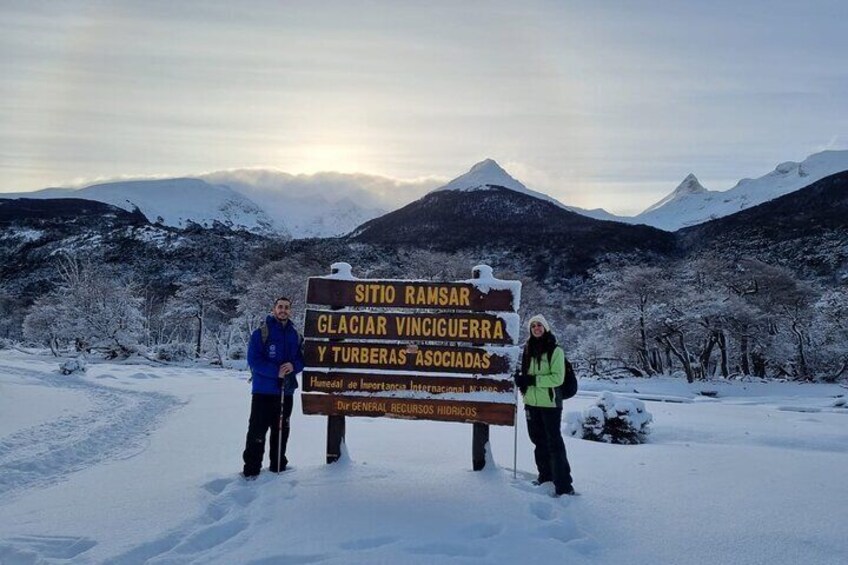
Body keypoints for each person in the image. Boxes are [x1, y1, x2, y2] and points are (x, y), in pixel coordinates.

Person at [242, 296, 304, 479]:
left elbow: (302, 359)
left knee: (281, 431)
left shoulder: (296, 335)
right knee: (257, 431)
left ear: (290, 310)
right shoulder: (261, 333)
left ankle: (278, 468)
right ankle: (251, 471)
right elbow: (254, 360)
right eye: (280, 307)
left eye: (286, 307)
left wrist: (294, 367)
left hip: (286, 391)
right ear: (274, 309)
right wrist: (276, 371)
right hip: (263, 391)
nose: (283, 310)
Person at [515, 314, 575, 496]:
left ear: (546, 328)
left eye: (539, 325)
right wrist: (521, 380)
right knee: (538, 441)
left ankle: (564, 485)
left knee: (554, 443)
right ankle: (545, 477)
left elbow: (558, 378)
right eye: (533, 326)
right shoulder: (527, 350)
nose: (536, 329)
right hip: (531, 404)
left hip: (550, 404)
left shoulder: (555, 351)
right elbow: (526, 375)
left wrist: (532, 380)